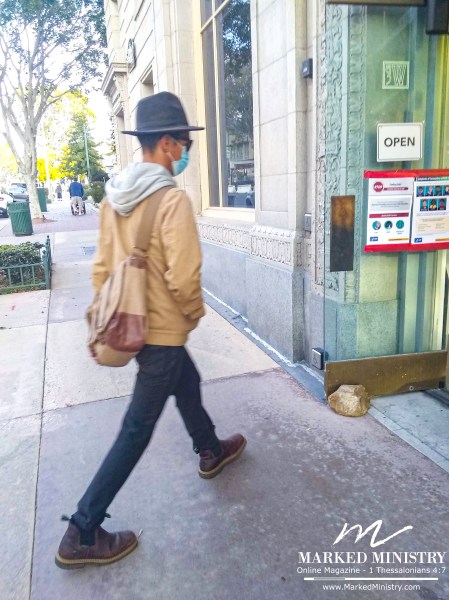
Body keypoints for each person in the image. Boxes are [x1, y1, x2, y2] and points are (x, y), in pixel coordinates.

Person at [55, 92, 247, 569]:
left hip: (137, 329)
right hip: (162, 334)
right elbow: (185, 277)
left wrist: (101, 322)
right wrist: (192, 316)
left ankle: (210, 449)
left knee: (189, 382)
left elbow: (102, 272)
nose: (185, 152)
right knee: (136, 429)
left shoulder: (113, 199)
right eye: (184, 144)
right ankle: (82, 530)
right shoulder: (171, 200)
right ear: (165, 144)